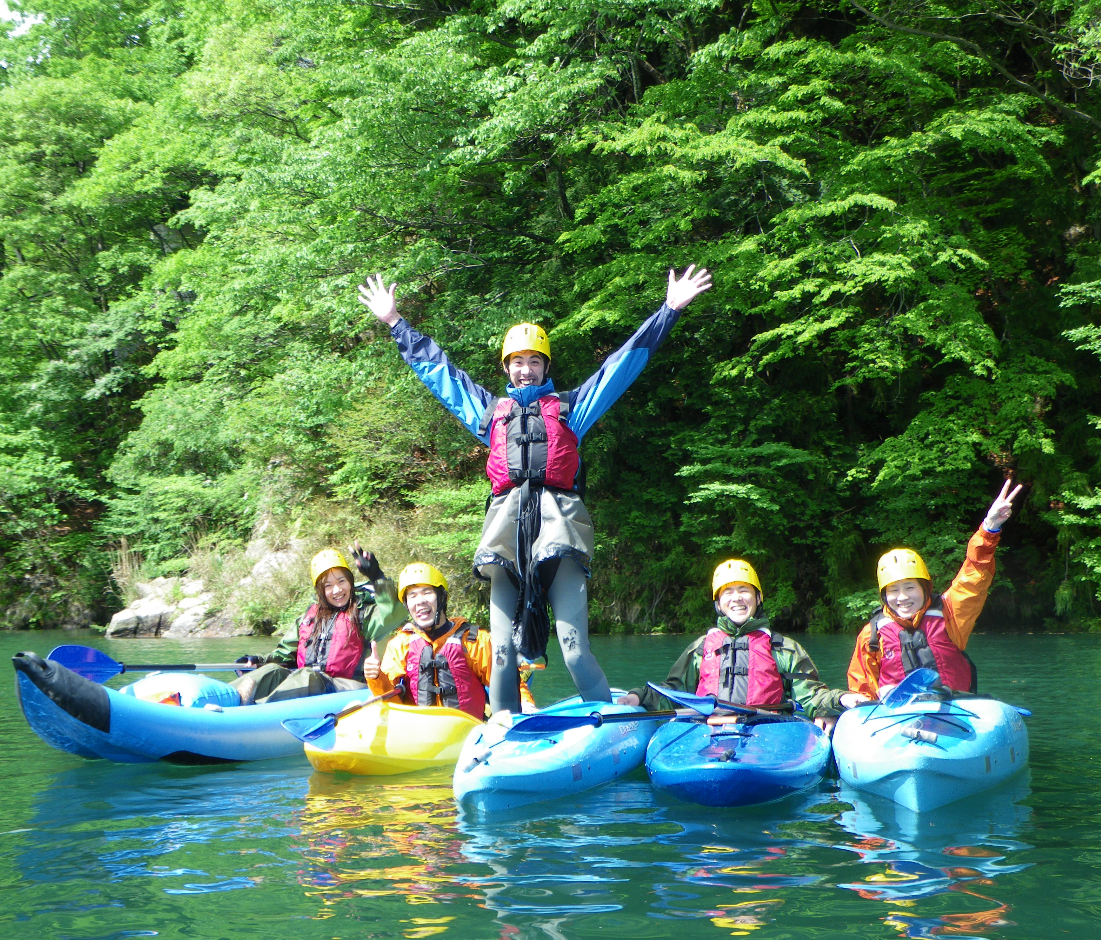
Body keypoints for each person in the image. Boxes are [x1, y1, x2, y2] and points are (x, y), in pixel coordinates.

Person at [358, 266, 714, 714]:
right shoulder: (490, 415)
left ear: (545, 366)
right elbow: (439, 373)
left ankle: (612, 723)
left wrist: (669, 310)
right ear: (507, 368)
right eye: (517, 362)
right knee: (503, 651)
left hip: (559, 532)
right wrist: (395, 323)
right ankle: (504, 724)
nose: (526, 370)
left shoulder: (571, 409)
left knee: (573, 647)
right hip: (506, 535)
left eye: (534, 361)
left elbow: (623, 364)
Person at [616, 559, 862, 734]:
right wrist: (639, 696)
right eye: (728, 593)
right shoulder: (700, 648)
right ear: (719, 604)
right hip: (707, 729)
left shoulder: (783, 648)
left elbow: (811, 694)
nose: (736, 598)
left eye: (743, 590)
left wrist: (838, 700)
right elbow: (675, 691)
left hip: (767, 729)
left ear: (757, 598)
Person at [847, 480, 1024, 700]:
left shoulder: (950, 614)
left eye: (910, 587)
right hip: (897, 720)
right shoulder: (871, 635)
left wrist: (989, 529)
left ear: (925, 588)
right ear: (884, 595)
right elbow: (861, 689)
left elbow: (974, 576)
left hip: (954, 712)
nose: (902, 597)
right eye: (893, 590)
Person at [232, 545, 402, 705]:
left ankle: (253, 709)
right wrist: (258, 661)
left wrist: (377, 577)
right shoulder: (308, 618)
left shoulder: (364, 616)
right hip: (309, 686)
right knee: (273, 671)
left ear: (350, 582)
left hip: (346, 690)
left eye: (341, 581)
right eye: (328, 586)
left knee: (308, 676)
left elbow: (395, 614)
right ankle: (226, 696)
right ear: (320, 590)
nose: (337, 590)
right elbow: (284, 653)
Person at [363, 562, 534, 719]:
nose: (420, 601)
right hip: (418, 736)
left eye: (427, 592)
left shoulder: (475, 640)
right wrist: (376, 677)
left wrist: (526, 703)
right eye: (412, 596)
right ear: (407, 605)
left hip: (467, 734)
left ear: (442, 597)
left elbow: (508, 683)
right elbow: (391, 703)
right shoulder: (399, 645)